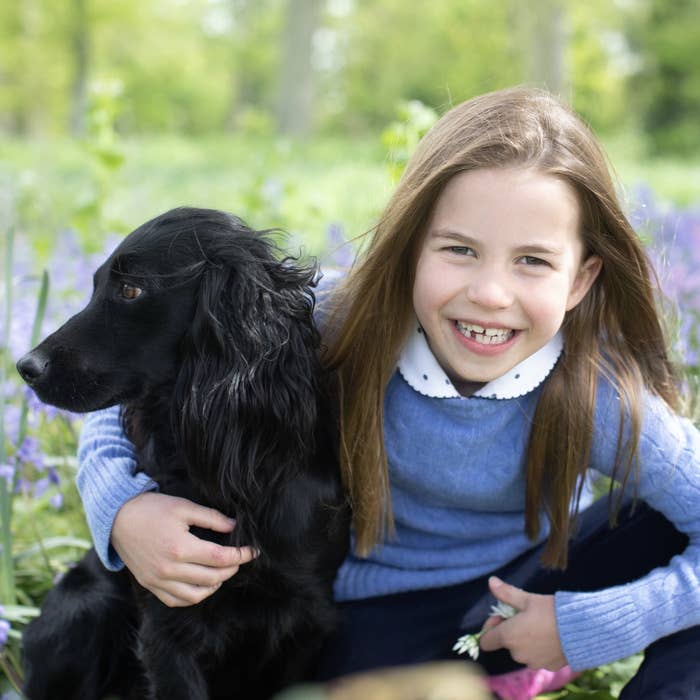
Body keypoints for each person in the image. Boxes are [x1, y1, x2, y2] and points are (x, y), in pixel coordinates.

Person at [76, 87, 700, 698]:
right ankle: (483, 678)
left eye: (532, 261)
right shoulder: (336, 321)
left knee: (671, 526)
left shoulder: (595, 392)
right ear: (409, 250)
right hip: (371, 619)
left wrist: (588, 626)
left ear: (580, 279)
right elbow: (134, 381)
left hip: (528, 588)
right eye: (460, 249)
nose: (490, 292)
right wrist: (122, 510)